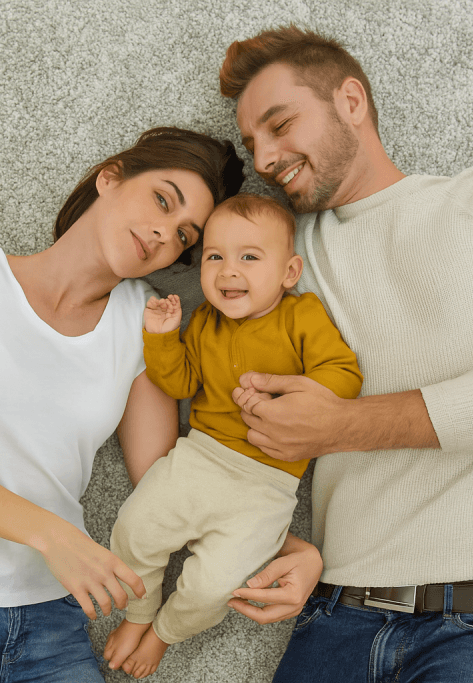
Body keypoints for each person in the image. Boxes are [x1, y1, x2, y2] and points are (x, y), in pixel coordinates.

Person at [217, 26, 473, 683]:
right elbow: (218, 424)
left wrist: (341, 424)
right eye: (254, 144)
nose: (267, 156)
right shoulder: (282, 259)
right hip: (334, 614)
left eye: (281, 125)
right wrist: (287, 544)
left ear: (351, 101)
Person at [0, 127, 244, 683]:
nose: (163, 233)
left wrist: (275, 536)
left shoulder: (145, 321)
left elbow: (165, 481)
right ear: (111, 177)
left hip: (52, 625)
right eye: (162, 198)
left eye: (183, 235)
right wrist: (53, 536)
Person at [103, 193, 364, 678]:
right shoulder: (204, 321)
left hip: (267, 481)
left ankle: (163, 633)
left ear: (288, 273)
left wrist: (289, 398)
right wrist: (162, 337)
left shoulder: (301, 315)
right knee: (134, 529)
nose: (228, 271)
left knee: (214, 585)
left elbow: (343, 375)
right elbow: (180, 384)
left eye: (249, 257)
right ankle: (138, 613)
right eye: (214, 257)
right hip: (200, 456)